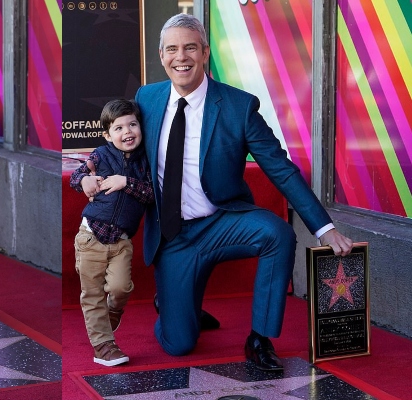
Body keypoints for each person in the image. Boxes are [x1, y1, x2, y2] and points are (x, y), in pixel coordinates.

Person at [134, 13, 354, 371]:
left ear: (205, 52)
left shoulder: (238, 105)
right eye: (172, 49)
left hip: (223, 221)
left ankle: (260, 338)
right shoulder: (147, 99)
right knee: (179, 344)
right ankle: (175, 302)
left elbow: (279, 168)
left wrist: (324, 228)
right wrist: (91, 174)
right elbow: (123, 152)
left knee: (277, 233)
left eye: (190, 47)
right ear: (161, 56)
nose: (181, 57)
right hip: (173, 236)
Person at [70, 99, 154, 366]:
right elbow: (76, 177)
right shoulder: (100, 156)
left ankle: (114, 310)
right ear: (107, 135)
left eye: (132, 124)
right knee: (92, 295)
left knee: (120, 287)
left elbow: (152, 194)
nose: (127, 132)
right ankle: (104, 347)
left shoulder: (146, 161)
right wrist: (85, 180)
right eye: (118, 128)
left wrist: (125, 182)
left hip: (121, 240)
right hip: (90, 237)